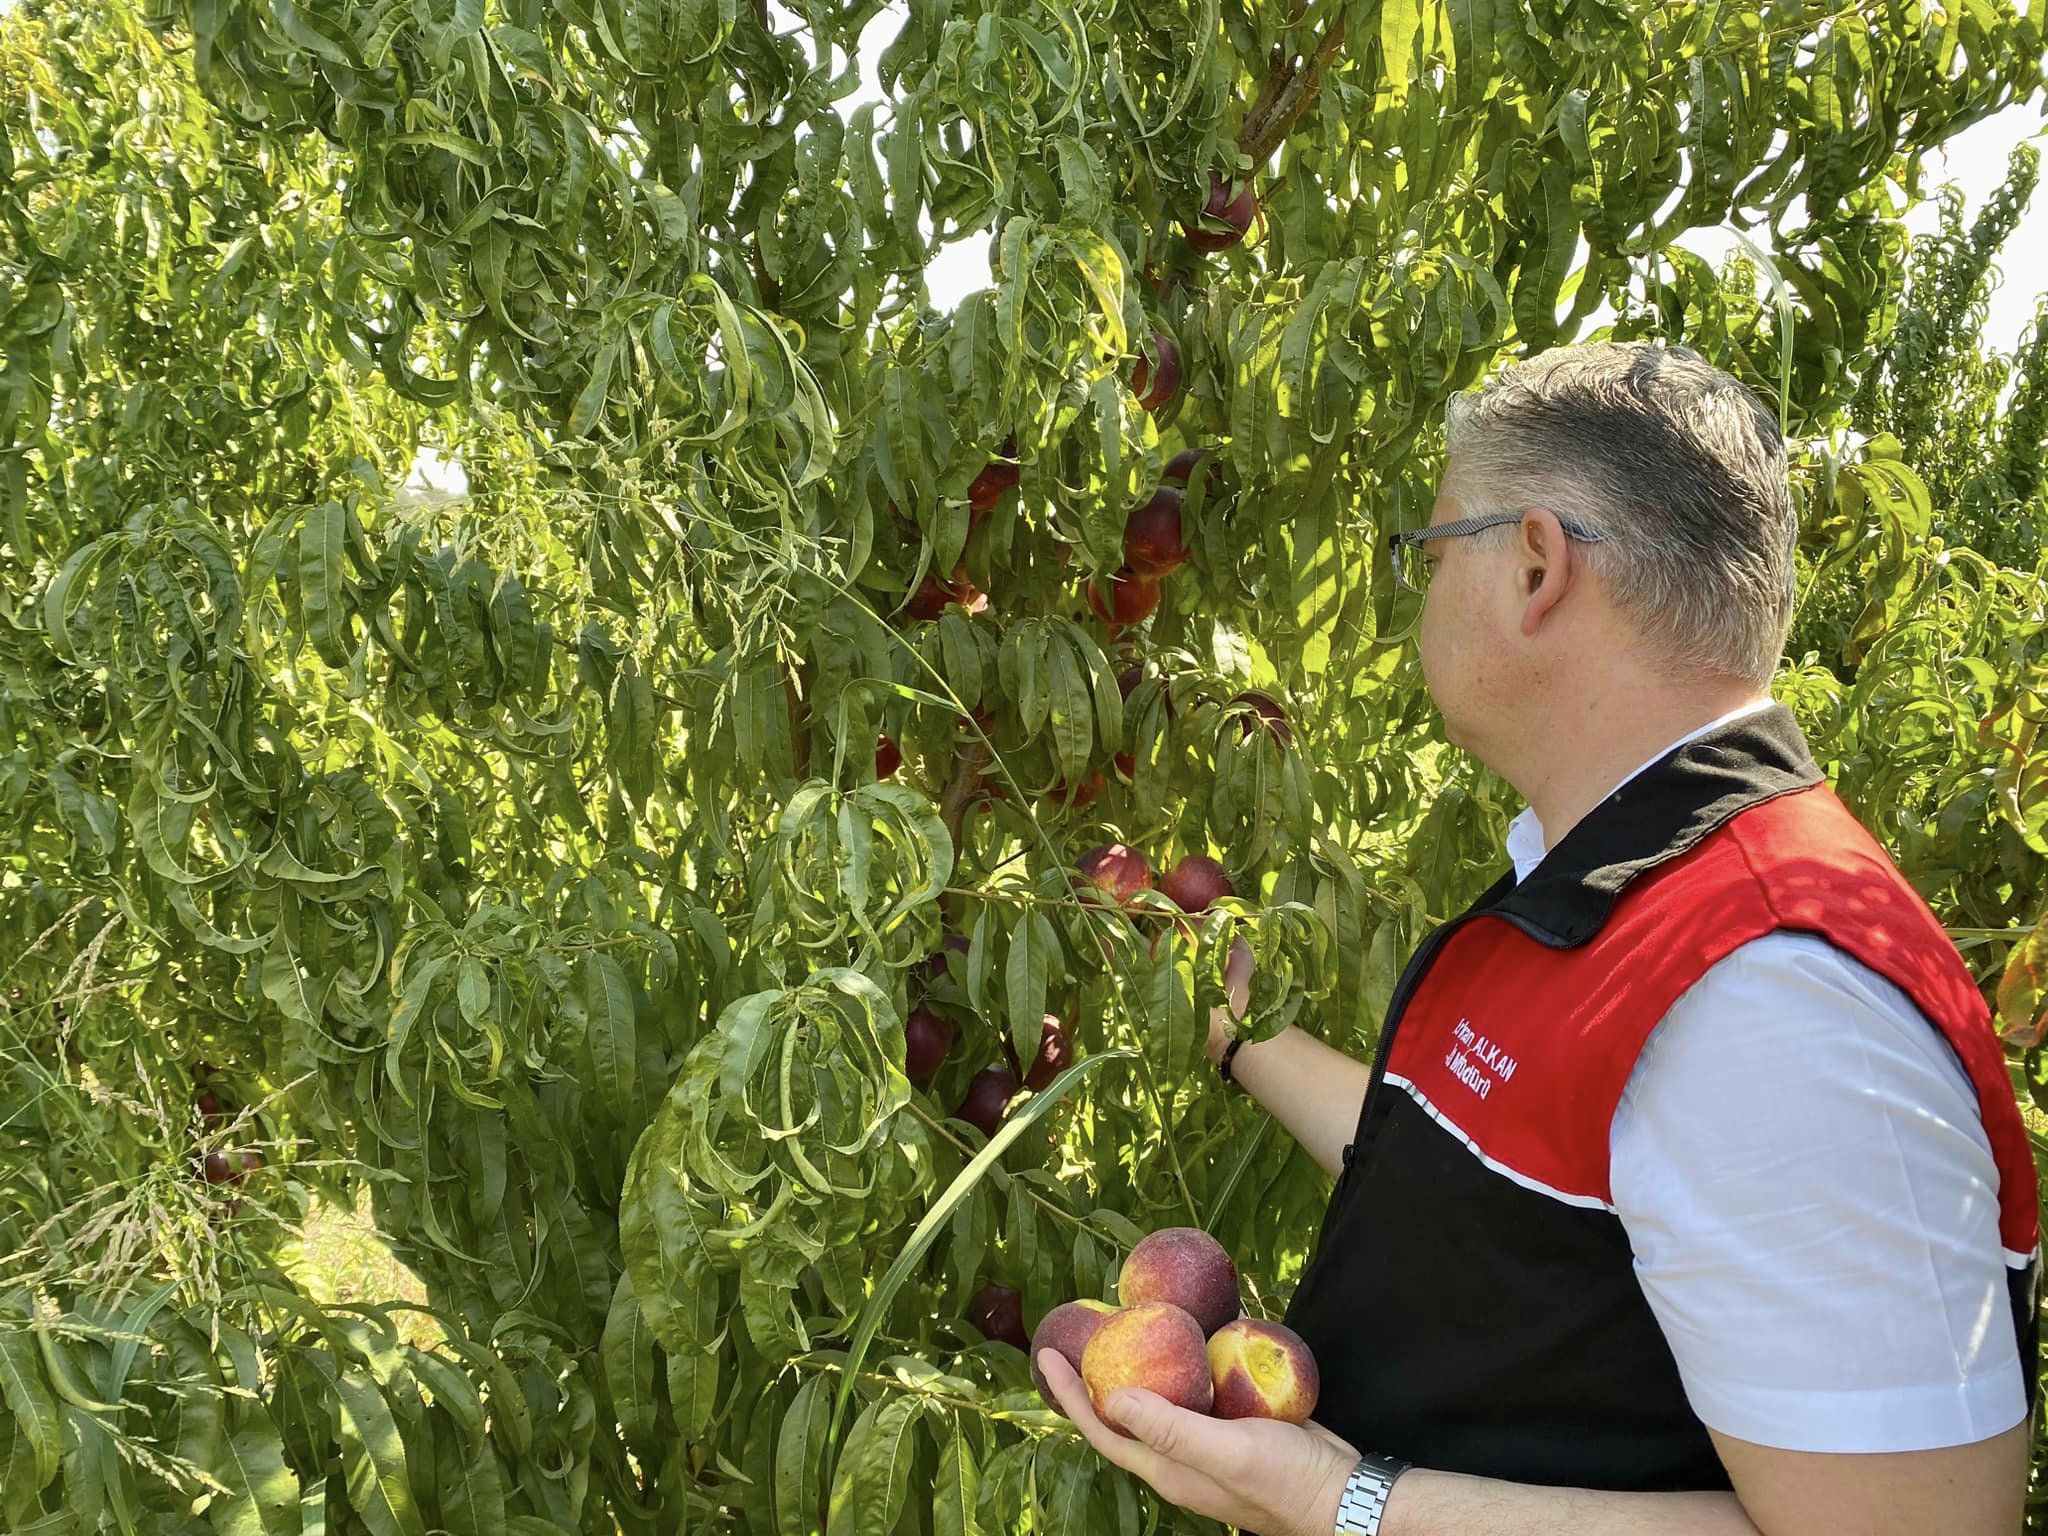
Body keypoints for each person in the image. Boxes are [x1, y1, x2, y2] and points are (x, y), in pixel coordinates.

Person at [1036, 342, 2041, 1534]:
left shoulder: (1771, 990)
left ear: (1530, 565)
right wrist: (1234, 1028)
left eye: (1427, 550)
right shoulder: (1616, 890)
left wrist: (1338, 1504)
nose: (1417, 591)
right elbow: (1490, 1198)